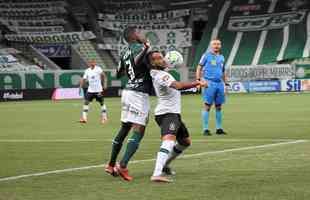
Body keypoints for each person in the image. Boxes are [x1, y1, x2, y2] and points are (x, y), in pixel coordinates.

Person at [105, 27, 152, 181]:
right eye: (140, 32)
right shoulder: (141, 48)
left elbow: (118, 73)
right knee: (139, 129)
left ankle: (111, 164)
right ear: (134, 35)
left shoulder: (125, 52)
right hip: (139, 93)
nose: (143, 34)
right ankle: (123, 165)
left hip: (127, 92)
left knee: (125, 127)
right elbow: (144, 63)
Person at [148, 51, 202, 183]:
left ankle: (165, 165)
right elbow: (178, 86)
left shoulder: (162, 72)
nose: (163, 59)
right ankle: (156, 173)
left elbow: (175, 87)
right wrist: (197, 83)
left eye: (162, 56)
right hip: (166, 114)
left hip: (174, 114)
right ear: (152, 63)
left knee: (185, 142)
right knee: (169, 141)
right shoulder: (160, 75)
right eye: (159, 58)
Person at [196, 39, 229, 136]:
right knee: (207, 106)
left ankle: (219, 128)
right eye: (214, 44)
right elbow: (199, 67)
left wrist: (226, 84)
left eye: (218, 44)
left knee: (219, 106)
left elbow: (222, 71)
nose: (216, 45)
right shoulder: (206, 55)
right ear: (211, 46)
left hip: (219, 84)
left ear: (220, 46)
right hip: (209, 83)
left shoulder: (222, 57)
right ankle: (205, 129)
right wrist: (198, 80)